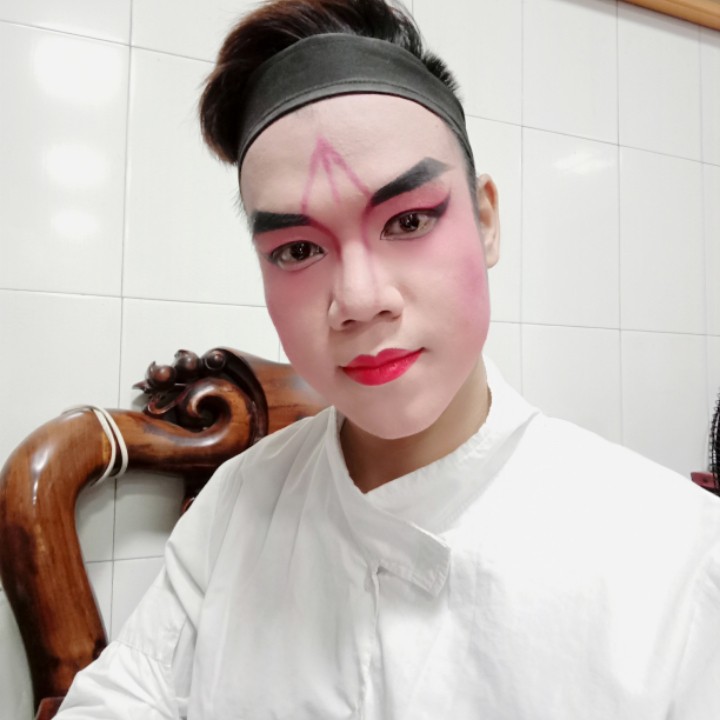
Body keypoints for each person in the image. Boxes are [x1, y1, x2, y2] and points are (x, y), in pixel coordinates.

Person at [56, 0, 720, 718]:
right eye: (297, 249)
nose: (359, 300)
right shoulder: (236, 508)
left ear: (486, 221)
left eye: (407, 221)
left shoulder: (676, 558)